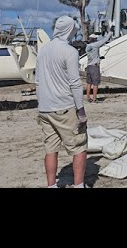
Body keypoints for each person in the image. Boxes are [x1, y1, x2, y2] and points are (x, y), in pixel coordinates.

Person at [35, 15, 89, 188]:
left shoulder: (43, 50)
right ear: (69, 30)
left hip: (45, 108)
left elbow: (37, 81)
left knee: (50, 149)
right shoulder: (70, 51)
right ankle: (79, 185)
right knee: (79, 147)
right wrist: (80, 110)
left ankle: (51, 186)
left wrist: (41, 103)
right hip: (64, 107)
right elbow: (74, 82)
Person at [85, 31, 112, 103]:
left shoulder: (88, 46)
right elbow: (105, 40)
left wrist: (99, 58)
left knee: (88, 83)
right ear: (94, 39)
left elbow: (92, 55)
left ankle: (88, 98)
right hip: (94, 67)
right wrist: (110, 32)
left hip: (89, 66)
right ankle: (94, 99)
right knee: (95, 83)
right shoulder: (95, 45)